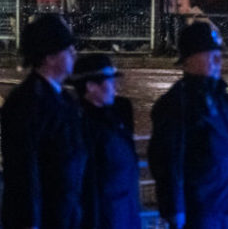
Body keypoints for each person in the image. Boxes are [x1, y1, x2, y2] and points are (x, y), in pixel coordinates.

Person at [149, 22, 228, 229]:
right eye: (212, 55)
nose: (219, 61)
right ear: (190, 58)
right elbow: (168, 162)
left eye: (219, 54)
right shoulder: (176, 103)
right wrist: (175, 210)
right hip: (199, 213)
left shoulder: (224, 95)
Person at [1, 14, 87, 229]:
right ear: (50, 57)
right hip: (47, 216)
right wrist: (29, 221)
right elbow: (24, 170)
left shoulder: (62, 98)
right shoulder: (27, 103)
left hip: (64, 213)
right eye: (68, 50)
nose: (74, 55)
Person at [72, 54, 141, 229]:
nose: (114, 88)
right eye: (109, 82)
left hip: (123, 212)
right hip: (106, 217)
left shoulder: (115, 116)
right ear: (91, 87)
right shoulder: (81, 127)